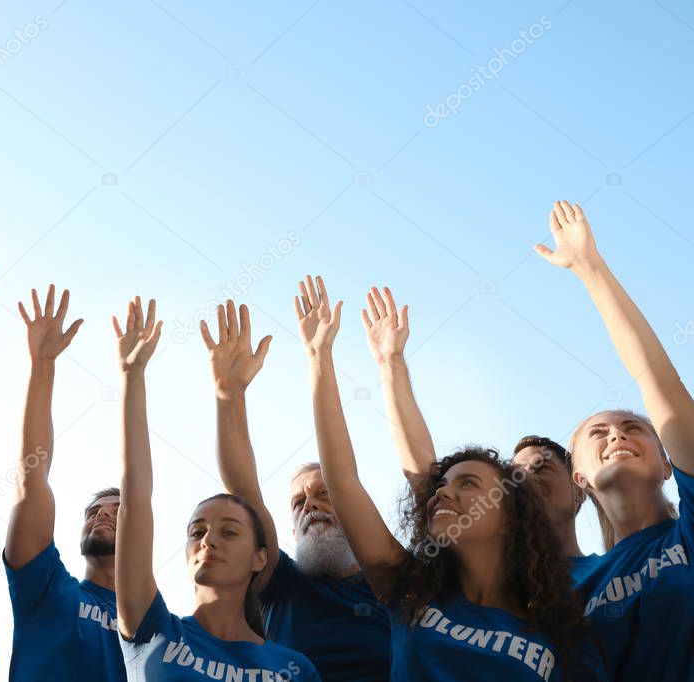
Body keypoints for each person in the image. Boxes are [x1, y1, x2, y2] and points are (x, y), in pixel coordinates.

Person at [297, 275, 605, 681]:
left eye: (468, 484)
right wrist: (320, 356)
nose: (442, 492)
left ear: (511, 516)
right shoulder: (410, 587)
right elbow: (343, 481)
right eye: (442, 485)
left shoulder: (561, 630)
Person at [113, 296, 320, 681]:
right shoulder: (153, 630)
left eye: (229, 531)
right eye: (197, 531)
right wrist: (132, 374)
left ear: (260, 557)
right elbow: (136, 501)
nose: (208, 540)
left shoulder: (294, 669)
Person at [537, 200, 694, 680]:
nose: (616, 435)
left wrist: (590, 267)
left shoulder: (687, 532)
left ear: (669, 463)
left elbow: (654, 377)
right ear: (579, 477)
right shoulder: (568, 583)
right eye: (597, 433)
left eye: (633, 428)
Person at [203, 300, 390, 680]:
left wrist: (319, 354)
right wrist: (229, 396)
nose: (311, 506)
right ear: (290, 530)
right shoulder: (282, 583)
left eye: (324, 494)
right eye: (298, 502)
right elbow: (242, 492)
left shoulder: (393, 586)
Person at [361, 285, 585, 556]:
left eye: (540, 467)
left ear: (579, 489)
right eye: (515, 474)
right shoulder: (488, 577)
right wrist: (390, 361)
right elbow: (423, 474)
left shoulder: (609, 575)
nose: (524, 478)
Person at [4, 285, 126, 681]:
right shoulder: (47, 586)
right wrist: (43, 365)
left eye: (117, 511)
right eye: (93, 512)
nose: (101, 517)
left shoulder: (156, 624)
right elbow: (31, 478)